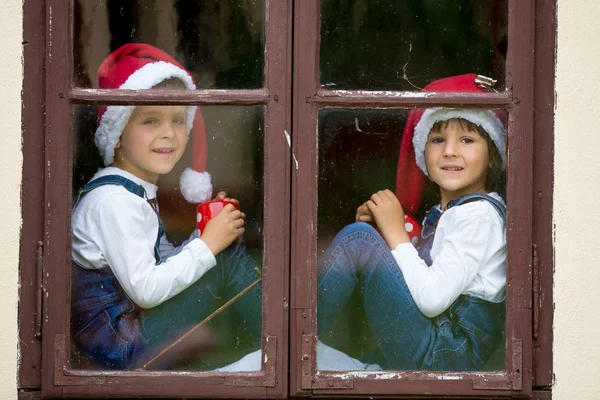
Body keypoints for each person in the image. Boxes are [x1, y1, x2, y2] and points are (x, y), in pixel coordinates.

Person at [71, 43, 261, 370]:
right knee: (223, 257)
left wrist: (207, 233)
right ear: (117, 135)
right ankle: (289, 340)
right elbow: (145, 290)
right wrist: (208, 244)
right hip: (120, 348)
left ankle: (279, 340)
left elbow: (153, 269)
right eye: (151, 121)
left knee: (220, 250)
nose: (168, 134)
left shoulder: (131, 190)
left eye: (177, 120)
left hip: (128, 335)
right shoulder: (114, 200)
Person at [317, 74, 507, 371]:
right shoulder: (451, 213)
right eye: (437, 139)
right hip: (437, 345)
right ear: (423, 152)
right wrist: (384, 237)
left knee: (358, 241)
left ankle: (286, 333)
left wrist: (393, 235)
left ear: (493, 155)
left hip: (445, 352)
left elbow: (431, 299)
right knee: (365, 240)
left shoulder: (478, 216)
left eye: (467, 140)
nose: (449, 151)